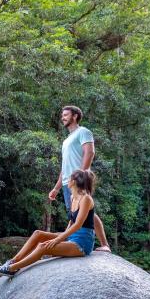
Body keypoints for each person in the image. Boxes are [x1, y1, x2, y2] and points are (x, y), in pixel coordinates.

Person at [0, 169, 97, 277]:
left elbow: (78, 224)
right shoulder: (72, 197)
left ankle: (12, 269)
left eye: (69, 178)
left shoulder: (86, 199)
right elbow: (72, 220)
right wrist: (63, 235)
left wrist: (57, 239)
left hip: (82, 243)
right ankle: (13, 261)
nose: (67, 180)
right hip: (72, 236)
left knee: (43, 247)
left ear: (73, 181)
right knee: (38, 234)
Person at [48, 105, 111, 252]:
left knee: (88, 213)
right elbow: (65, 166)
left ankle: (104, 244)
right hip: (67, 183)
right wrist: (57, 187)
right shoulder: (66, 140)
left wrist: (80, 176)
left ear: (75, 116)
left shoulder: (83, 132)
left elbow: (89, 153)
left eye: (65, 115)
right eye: (62, 115)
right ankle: (70, 239)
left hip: (79, 181)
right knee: (74, 214)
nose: (62, 117)